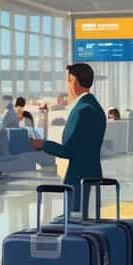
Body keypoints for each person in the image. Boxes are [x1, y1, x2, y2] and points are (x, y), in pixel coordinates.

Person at [32, 63, 105, 213]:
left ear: (75, 82)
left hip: (78, 179)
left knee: (75, 226)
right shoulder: (97, 109)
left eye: (69, 81)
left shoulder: (81, 111)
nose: (67, 86)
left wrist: (43, 144)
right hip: (93, 174)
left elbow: (68, 150)